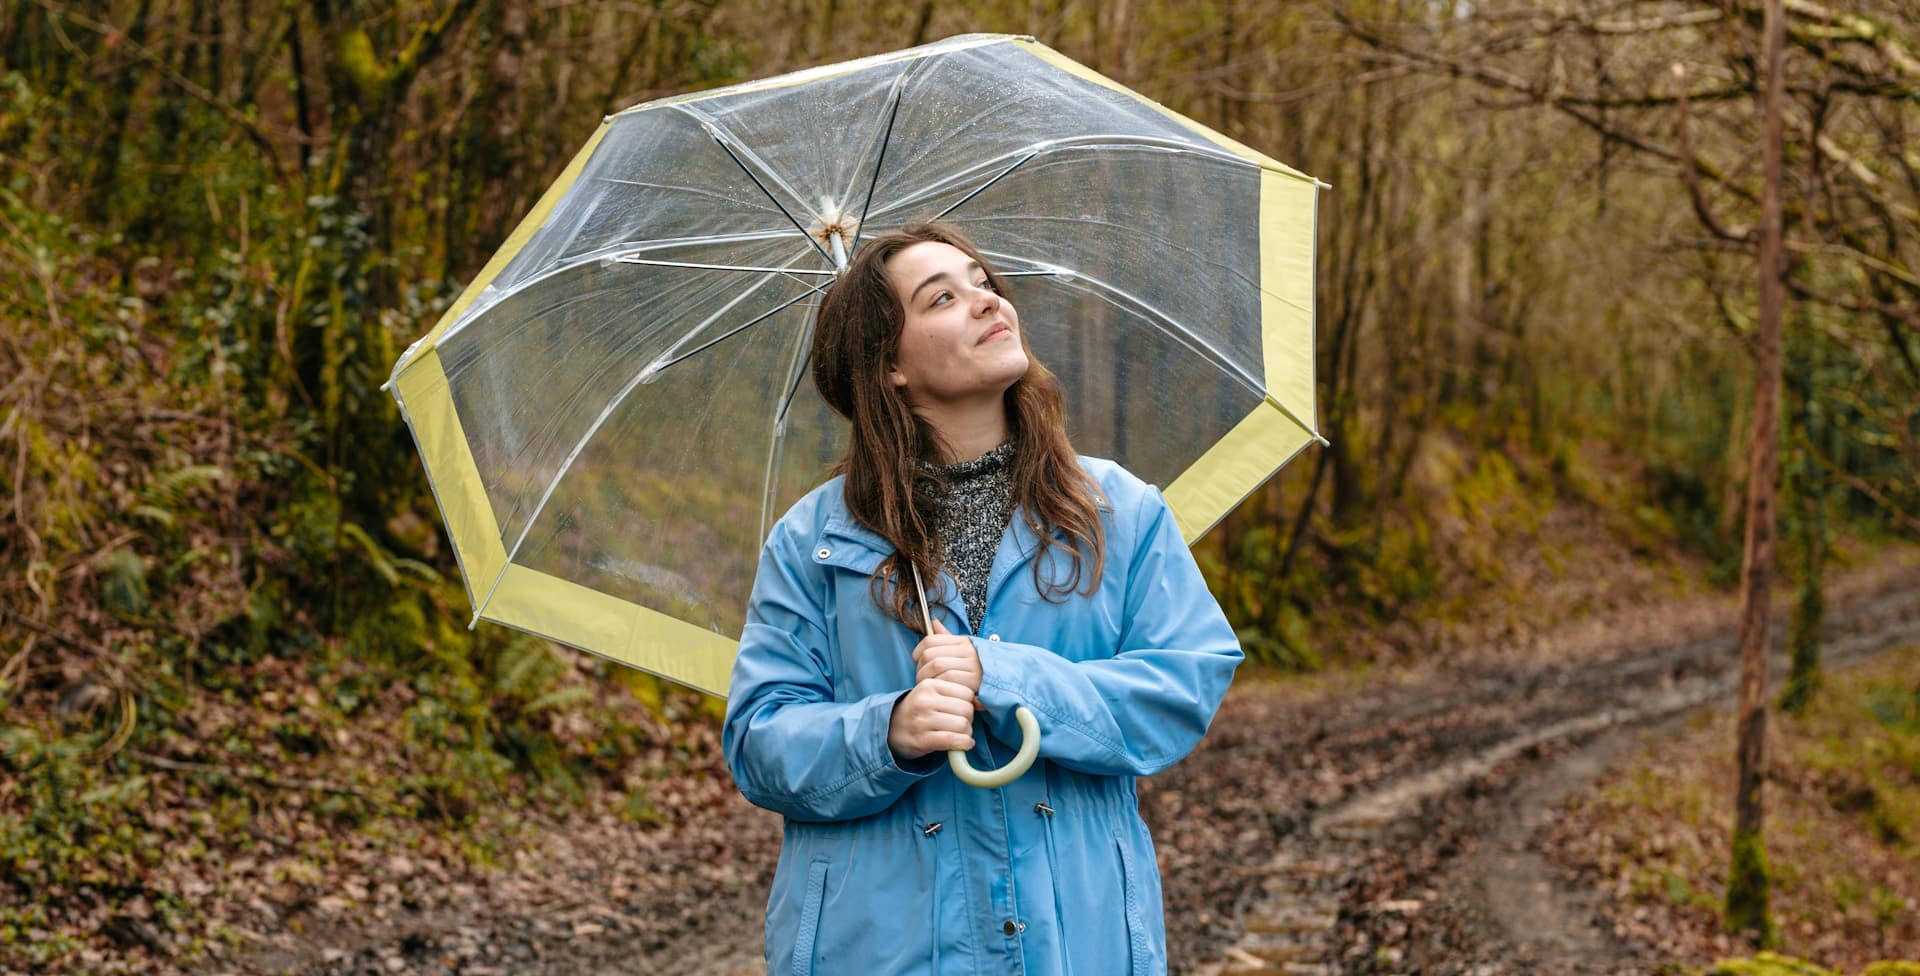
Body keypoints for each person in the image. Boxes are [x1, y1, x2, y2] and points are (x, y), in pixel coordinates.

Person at [721, 219, 1243, 975]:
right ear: (889, 366)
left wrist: (1008, 678)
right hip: (879, 948)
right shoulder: (814, 541)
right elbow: (760, 743)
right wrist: (890, 731)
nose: (986, 301)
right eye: (942, 298)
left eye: (984, 283)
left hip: (1077, 941)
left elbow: (1183, 684)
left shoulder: (1117, 512)